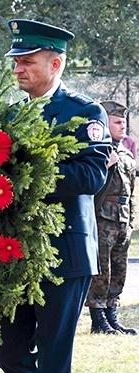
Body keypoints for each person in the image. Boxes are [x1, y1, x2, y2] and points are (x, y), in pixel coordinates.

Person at [0, 19, 112, 373]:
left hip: (65, 253)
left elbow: (93, 174)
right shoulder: (7, 115)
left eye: (27, 61)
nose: (18, 69)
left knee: (55, 357)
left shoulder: (84, 112)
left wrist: (30, 170)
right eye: (16, 62)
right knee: (7, 351)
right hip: (15, 255)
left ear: (55, 63)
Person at [85, 100, 137, 335]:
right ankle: (98, 320)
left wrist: (132, 218)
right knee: (101, 270)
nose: (122, 126)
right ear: (105, 123)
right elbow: (89, 185)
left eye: (124, 122)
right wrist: (105, 165)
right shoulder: (97, 150)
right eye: (117, 122)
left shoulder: (126, 152)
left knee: (119, 268)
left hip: (122, 220)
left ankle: (112, 316)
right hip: (102, 219)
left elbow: (131, 191)